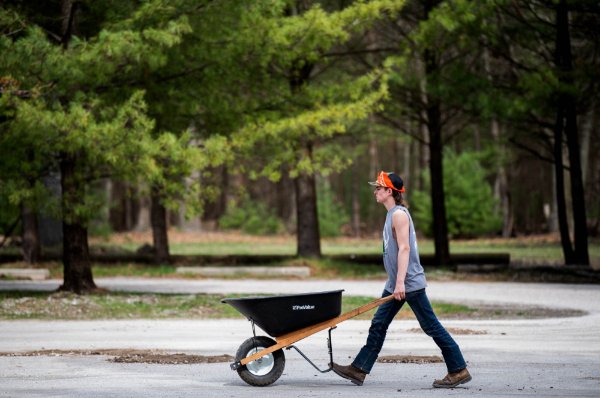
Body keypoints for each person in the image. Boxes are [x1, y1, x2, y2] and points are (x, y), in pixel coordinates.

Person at [331, 171, 472, 388]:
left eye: (379, 188)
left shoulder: (399, 214)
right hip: (396, 283)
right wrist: (394, 282)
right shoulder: (391, 214)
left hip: (408, 283)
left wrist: (400, 283)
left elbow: (405, 248)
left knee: (430, 326)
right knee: (378, 324)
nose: (375, 191)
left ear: (390, 191)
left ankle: (458, 369)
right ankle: (359, 369)